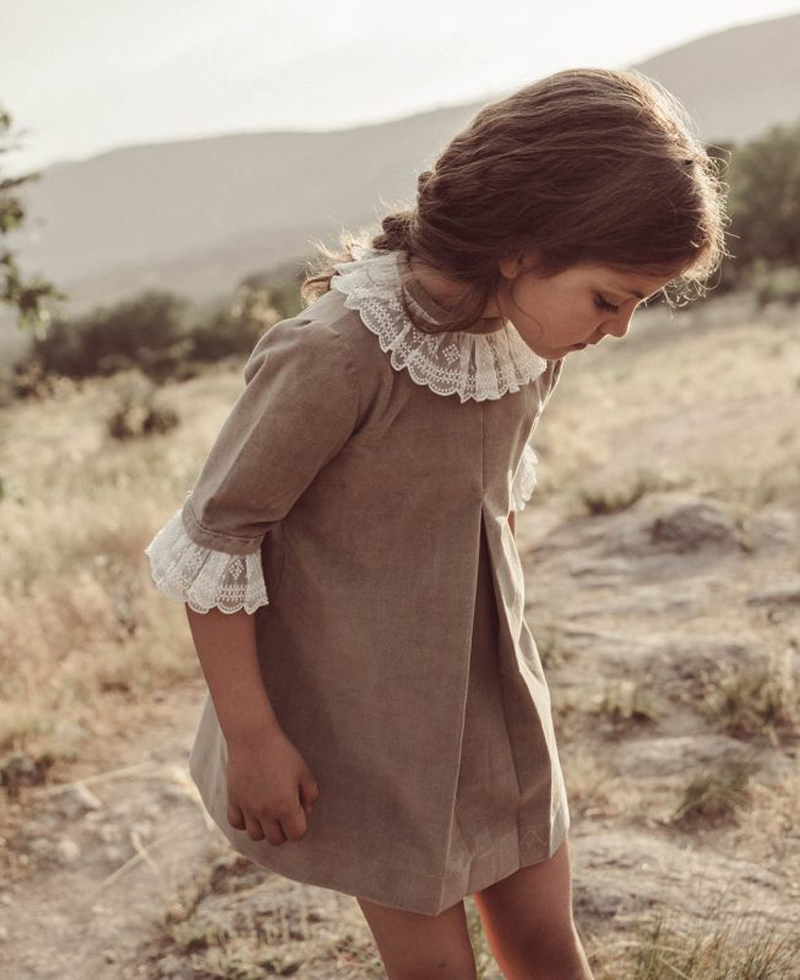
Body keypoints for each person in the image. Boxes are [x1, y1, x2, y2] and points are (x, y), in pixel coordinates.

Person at [144, 67, 728, 980]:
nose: (615, 331)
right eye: (610, 299)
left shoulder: (527, 347)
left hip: (499, 705)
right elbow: (215, 541)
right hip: (374, 728)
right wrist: (253, 738)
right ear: (521, 248)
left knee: (546, 949)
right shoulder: (338, 355)